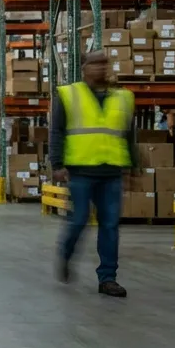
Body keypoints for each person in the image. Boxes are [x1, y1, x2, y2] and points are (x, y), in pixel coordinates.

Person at [51, 50, 135, 298]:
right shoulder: (68, 94)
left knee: (110, 226)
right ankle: (65, 255)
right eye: (95, 64)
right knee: (79, 220)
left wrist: (132, 166)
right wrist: (57, 165)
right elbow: (57, 131)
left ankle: (108, 278)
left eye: (104, 64)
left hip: (111, 171)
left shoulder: (124, 97)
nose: (100, 68)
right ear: (84, 67)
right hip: (80, 170)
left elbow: (129, 135)